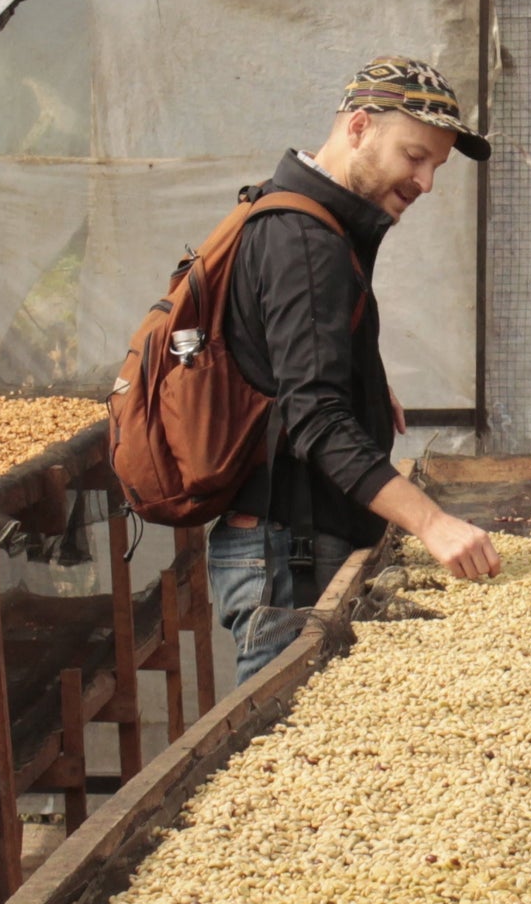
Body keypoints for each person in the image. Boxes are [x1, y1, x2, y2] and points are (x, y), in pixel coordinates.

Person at [211, 57, 502, 679]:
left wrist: (360, 376)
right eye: (414, 156)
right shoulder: (305, 241)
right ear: (360, 127)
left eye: (435, 167)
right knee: (276, 752)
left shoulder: (307, 218)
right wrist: (433, 523)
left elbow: (278, 355)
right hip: (285, 556)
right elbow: (313, 416)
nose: (425, 182)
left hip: (295, 544)